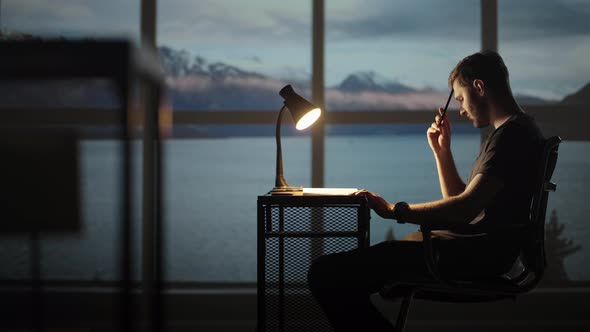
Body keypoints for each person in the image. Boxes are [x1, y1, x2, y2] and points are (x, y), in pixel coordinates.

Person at [307, 51, 544, 332]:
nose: (461, 110)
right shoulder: (514, 132)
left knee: (324, 274)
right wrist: (441, 153)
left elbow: (463, 209)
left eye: (460, 98)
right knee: (346, 279)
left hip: (471, 256)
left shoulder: (511, 137)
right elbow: (463, 206)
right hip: (474, 251)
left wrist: (395, 211)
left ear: (479, 88)